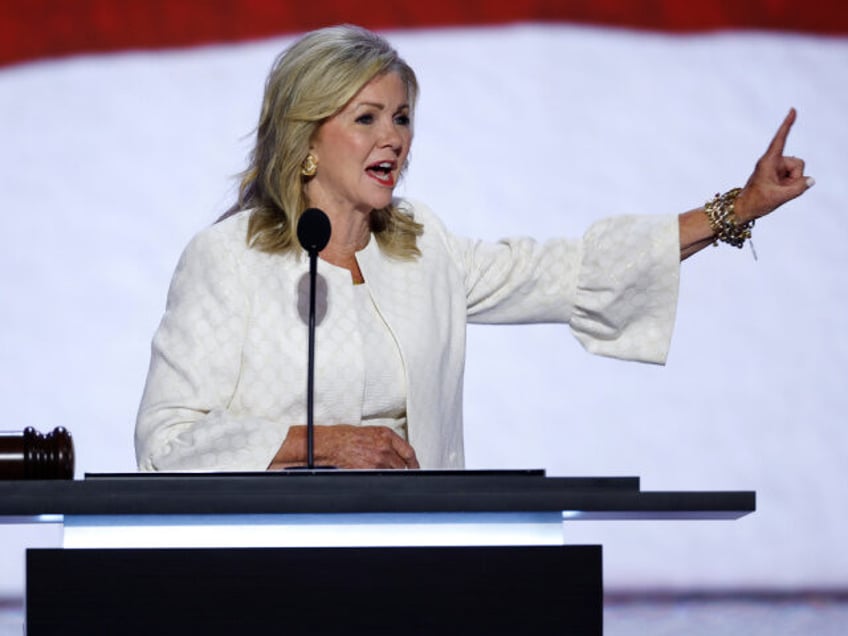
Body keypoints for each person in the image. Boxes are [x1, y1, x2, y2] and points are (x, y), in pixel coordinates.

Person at [134, 24, 812, 472]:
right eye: (365, 118)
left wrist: (737, 210)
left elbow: (572, 273)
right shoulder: (229, 259)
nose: (393, 138)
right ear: (306, 139)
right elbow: (166, 441)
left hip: (416, 552)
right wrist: (319, 444)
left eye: (401, 117)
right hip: (264, 567)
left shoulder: (421, 249)